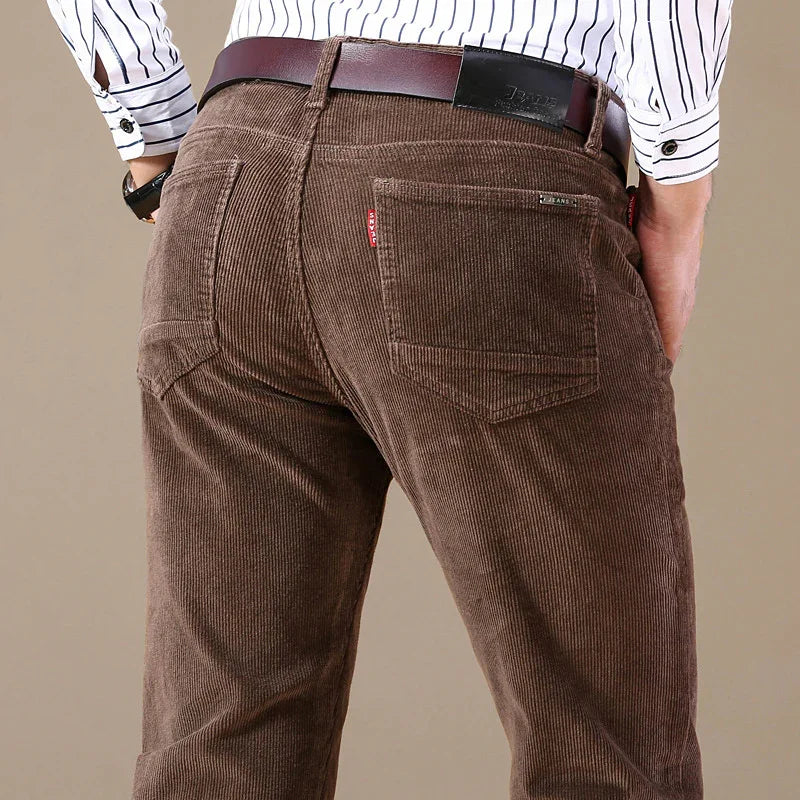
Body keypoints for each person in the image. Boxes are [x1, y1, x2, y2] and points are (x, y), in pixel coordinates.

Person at [47, 2, 733, 798]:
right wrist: (678, 197)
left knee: (220, 748)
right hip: (487, 163)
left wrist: (154, 130)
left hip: (232, 168)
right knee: (606, 747)